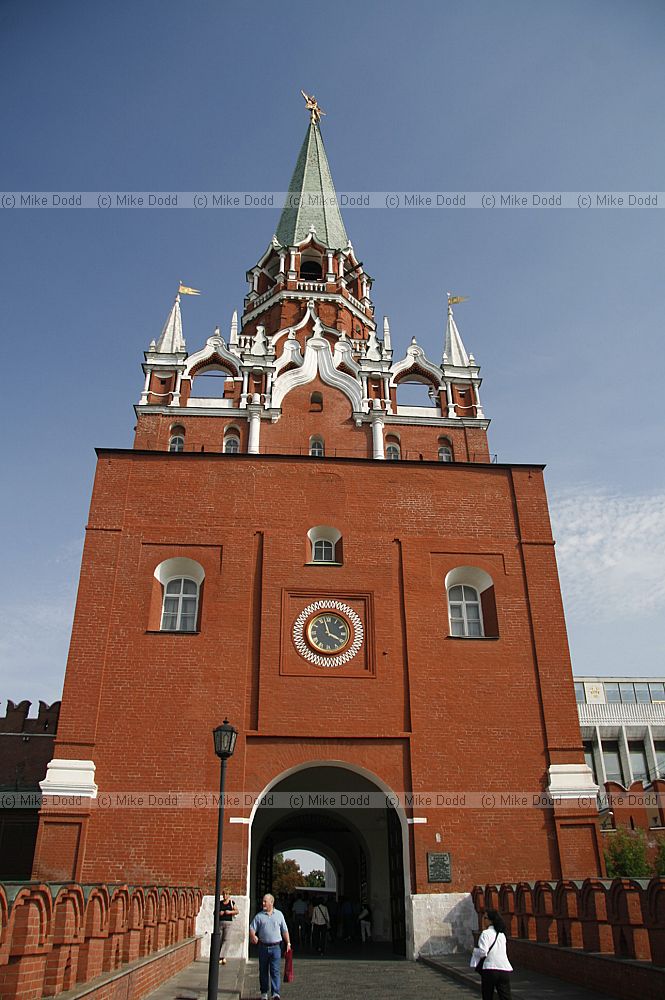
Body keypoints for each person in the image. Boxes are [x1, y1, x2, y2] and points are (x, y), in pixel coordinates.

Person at [249, 893, 291, 1000]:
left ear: (271, 903)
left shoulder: (279, 915)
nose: (263, 903)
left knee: (275, 971)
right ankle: (264, 993)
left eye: (265, 901)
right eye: (263, 901)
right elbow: (252, 928)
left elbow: (284, 930)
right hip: (263, 947)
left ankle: (275, 993)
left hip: (276, 947)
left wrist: (288, 943)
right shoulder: (259, 916)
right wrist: (253, 936)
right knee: (263, 971)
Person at [471, 909, 513, 1000]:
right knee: (505, 997)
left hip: (490, 968)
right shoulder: (501, 935)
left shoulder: (485, 933)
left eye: (485, 918)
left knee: (487, 996)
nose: (483, 920)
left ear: (491, 920)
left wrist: (474, 951)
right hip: (504, 968)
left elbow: (483, 951)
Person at [218, 887, 238, 965]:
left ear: (229, 895)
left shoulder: (231, 903)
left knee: (226, 939)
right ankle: (220, 956)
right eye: (224, 894)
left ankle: (222, 957)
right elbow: (215, 912)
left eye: (226, 894)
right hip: (220, 923)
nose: (225, 896)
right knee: (219, 939)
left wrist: (229, 912)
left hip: (228, 923)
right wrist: (220, 913)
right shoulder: (220, 903)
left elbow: (237, 911)